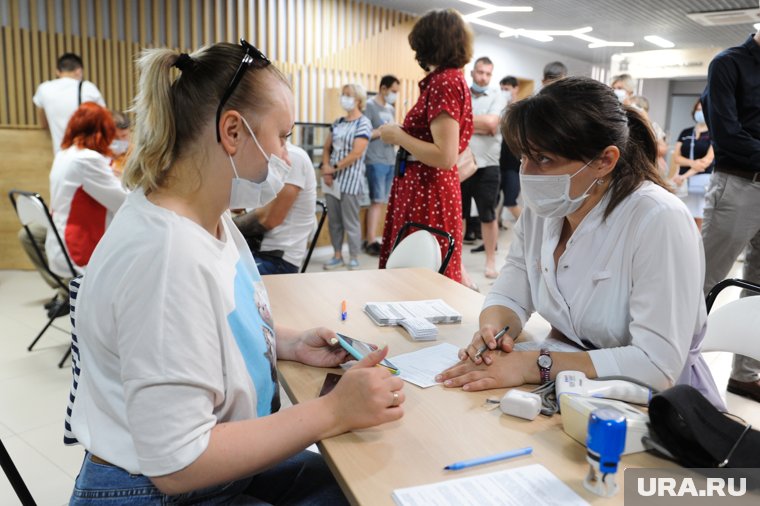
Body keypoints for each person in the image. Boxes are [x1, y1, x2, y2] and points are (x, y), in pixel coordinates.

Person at [65, 41, 404, 504]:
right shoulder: (165, 258)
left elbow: (212, 322)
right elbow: (179, 462)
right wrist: (332, 412)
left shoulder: (207, 215)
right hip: (157, 489)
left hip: (206, 467)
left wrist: (286, 342)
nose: (287, 155)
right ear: (232, 131)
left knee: (362, 482)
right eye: (282, 137)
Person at [435, 76, 723, 410]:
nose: (527, 173)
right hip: (573, 387)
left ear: (605, 160)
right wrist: (494, 329)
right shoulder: (550, 206)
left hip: (655, 407)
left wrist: (534, 364)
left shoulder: (658, 218)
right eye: (524, 157)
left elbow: (656, 365)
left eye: (544, 159)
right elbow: (514, 285)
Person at [377, 8, 474, 284]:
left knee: (420, 271)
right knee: (418, 269)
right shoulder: (448, 80)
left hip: (428, 187)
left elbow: (445, 156)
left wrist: (398, 136)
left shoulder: (445, 82)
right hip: (424, 185)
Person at [701, 31, 760, 402]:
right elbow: (727, 135)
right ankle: (670, 362)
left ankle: (745, 374)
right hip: (738, 184)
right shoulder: (728, 64)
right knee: (703, 280)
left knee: (759, 286)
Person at [46, 102, 127, 280]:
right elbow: (124, 202)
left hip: (59, 243)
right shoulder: (87, 159)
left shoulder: (65, 153)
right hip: (77, 250)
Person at [234, 142, 317, 274]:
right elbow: (244, 202)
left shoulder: (294, 157)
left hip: (276, 257)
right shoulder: (264, 158)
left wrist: (229, 226)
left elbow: (268, 219)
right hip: (258, 248)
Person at [321, 83, 372, 271]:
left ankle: (353, 256)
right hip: (332, 180)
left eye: (348, 95)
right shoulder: (338, 122)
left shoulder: (364, 123)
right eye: (343, 95)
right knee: (334, 220)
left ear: (358, 99)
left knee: (351, 221)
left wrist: (333, 168)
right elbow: (327, 147)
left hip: (351, 180)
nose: (345, 98)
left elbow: (356, 153)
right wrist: (326, 167)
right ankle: (337, 255)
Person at [463, 56, 507, 279]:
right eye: (480, 72)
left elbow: (491, 124)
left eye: (488, 74)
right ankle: (456, 264)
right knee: (458, 215)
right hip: (461, 164)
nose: (483, 77)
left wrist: (463, 122)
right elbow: (483, 123)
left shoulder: (498, 96)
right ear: (472, 72)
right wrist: (479, 123)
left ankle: (491, 262)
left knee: (487, 216)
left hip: (488, 164)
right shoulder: (461, 92)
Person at [33, 53, 105, 154]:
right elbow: (104, 119)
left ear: (58, 71)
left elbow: (42, 116)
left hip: (60, 155)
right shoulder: (88, 88)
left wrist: (48, 129)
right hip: (88, 152)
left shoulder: (44, 88)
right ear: (79, 71)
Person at [363, 75, 400, 256]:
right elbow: (364, 133)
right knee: (376, 201)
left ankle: (380, 238)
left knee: (384, 201)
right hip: (375, 159)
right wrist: (384, 131)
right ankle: (371, 240)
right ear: (383, 89)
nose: (395, 95)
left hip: (389, 159)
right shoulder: (370, 106)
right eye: (393, 91)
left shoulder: (390, 108)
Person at [671, 99, 714, 231]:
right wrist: (691, 163)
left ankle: (696, 248)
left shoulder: (713, 134)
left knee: (699, 220)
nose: (700, 112)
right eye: (698, 109)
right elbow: (676, 157)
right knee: (681, 216)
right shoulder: (686, 132)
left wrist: (685, 176)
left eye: (703, 110)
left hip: (700, 184)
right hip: (681, 183)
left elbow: (706, 162)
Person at [497, 76, 522, 228]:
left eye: (506, 89)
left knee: (510, 202)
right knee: (494, 202)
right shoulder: (499, 109)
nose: (504, 93)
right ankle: (494, 230)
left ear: (515, 89)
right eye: (502, 89)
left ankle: (530, 230)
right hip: (498, 162)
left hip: (514, 163)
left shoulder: (521, 109)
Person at [109, 110, 132, 177]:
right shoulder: (99, 157)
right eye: (115, 137)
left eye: (124, 136)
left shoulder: (136, 155)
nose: (120, 140)